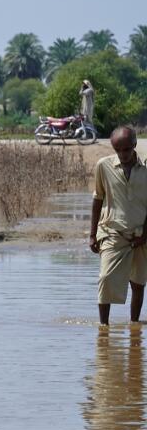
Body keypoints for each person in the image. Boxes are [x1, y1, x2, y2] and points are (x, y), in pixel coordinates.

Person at [92, 126, 146, 324]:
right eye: (118, 150)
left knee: (138, 284)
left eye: (126, 149)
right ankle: (103, 327)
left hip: (141, 235)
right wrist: (91, 235)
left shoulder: (146, 169)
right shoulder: (103, 166)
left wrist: (145, 235)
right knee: (106, 278)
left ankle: (134, 326)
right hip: (112, 232)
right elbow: (97, 199)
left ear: (134, 145)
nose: (122, 154)